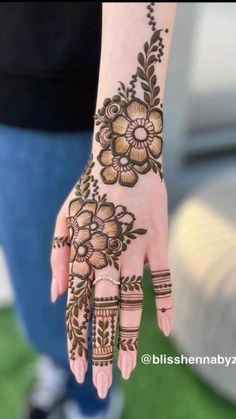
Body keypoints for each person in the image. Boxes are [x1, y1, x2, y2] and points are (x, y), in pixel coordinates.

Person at [0, 2, 176, 418]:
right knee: (34, 285)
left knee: (64, 303)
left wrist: (125, 159)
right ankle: (64, 373)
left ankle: (90, 403)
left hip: (58, 78)